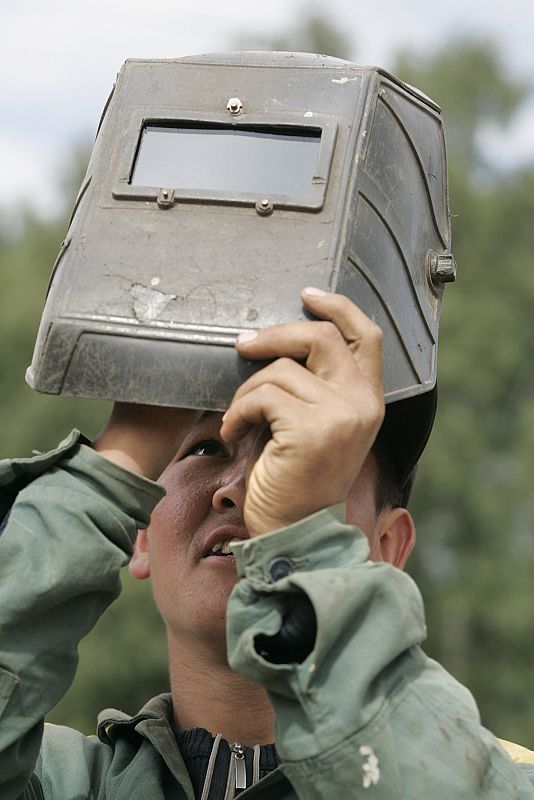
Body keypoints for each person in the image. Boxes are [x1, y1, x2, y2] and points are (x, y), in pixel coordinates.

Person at [1, 289, 533, 799]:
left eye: (302, 455)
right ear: (139, 528)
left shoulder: (504, 780)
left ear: (388, 546)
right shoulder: (56, 782)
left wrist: (301, 541)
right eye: (207, 447)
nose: (243, 490)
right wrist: (118, 462)